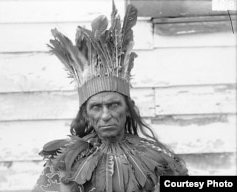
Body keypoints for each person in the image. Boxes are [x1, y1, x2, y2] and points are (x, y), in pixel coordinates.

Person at [32, 1, 188, 192]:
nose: (105, 115)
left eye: (114, 105)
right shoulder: (65, 161)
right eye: (96, 107)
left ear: (128, 110)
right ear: (86, 115)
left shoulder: (161, 159)